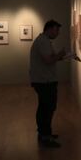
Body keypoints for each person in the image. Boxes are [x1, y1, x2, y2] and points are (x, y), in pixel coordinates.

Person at [30, 20, 66, 148]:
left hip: (43, 80)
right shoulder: (43, 41)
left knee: (44, 107)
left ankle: (44, 133)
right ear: (49, 29)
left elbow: (50, 57)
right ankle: (45, 136)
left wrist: (60, 57)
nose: (58, 33)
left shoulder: (43, 41)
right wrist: (60, 55)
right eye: (56, 30)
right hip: (44, 81)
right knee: (47, 108)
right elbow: (48, 60)